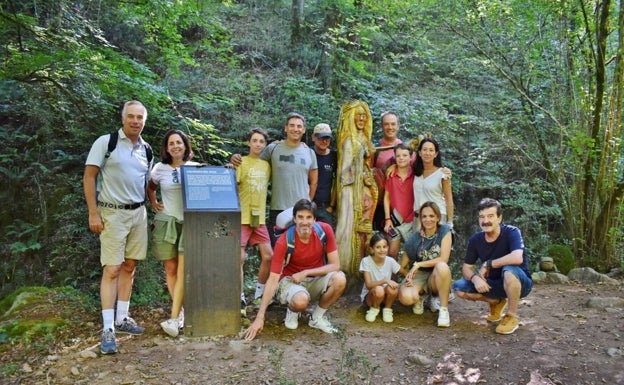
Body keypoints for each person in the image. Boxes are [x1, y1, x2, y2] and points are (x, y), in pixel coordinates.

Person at [83, 100, 152, 354]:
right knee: (112, 268)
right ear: (123, 118)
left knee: (130, 265)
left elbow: (146, 182)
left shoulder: (146, 149)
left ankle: (123, 318)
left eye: (140, 117)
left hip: (138, 213)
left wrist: (153, 202)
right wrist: (93, 212)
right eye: (131, 116)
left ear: (144, 120)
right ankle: (108, 328)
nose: (135, 121)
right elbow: (89, 176)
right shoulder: (107, 142)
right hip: (111, 213)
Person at [244, 199, 346, 341]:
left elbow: (335, 265)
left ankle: (316, 318)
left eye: (309, 217)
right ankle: (292, 310)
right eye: (300, 217)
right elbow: (273, 279)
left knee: (340, 279)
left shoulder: (324, 231)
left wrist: (306, 272)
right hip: (290, 281)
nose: (305, 222)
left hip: (312, 278)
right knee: (300, 301)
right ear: (294, 219)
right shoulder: (284, 241)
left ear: (315, 219)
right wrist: (259, 317)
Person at [230, 113, 318, 246]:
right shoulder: (273, 148)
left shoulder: (309, 152)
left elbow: (314, 181)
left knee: (301, 247)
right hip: (278, 208)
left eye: (299, 126)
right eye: (292, 125)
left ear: (304, 130)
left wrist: (308, 203)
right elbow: (254, 163)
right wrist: (235, 159)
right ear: (286, 128)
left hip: (302, 209)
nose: (296, 129)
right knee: (277, 249)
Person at [452, 198, 533, 335]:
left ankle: (511, 316)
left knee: (508, 270)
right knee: (459, 287)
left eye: (490, 216)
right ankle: (496, 301)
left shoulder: (512, 232)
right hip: (494, 284)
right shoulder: (476, 240)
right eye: (482, 217)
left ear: (499, 218)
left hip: (520, 282)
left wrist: (488, 264)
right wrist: (475, 278)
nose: (485, 221)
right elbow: (466, 267)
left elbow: (517, 257)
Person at [147, 129, 199, 337]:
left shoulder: (195, 168)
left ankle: (177, 314)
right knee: (170, 267)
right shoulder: (160, 169)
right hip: (167, 221)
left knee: (183, 269)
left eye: (179, 142)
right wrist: (154, 203)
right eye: (171, 143)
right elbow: (150, 187)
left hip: (189, 223)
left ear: (185, 145)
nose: (175, 146)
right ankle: (182, 312)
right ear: (166, 148)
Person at [335, 100, 378, 273]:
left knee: (364, 232)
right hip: (350, 193)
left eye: (364, 115)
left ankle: (361, 269)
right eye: (358, 115)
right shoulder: (348, 142)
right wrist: (360, 158)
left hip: (364, 191)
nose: (361, 118)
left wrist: (368, 175)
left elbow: (368, 167)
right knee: (348, 230)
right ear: (351, 117)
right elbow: (344, 173)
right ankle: (347, 268)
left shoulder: (364, 139)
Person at [236, 128, 273, 315]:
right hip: (242, 216)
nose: (258, 144)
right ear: (249, 142)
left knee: (268, 256)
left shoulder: (267, 165)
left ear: (265, 145)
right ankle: (239, 297)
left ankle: (259, 292)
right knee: (239, 258)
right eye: (255, 140)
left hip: (259, 218)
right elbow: (232, 185)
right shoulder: (240, 162)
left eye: (261, 141)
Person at [398, 201, 453, 328]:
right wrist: (408, 276)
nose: (428, 219)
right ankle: (422, 297)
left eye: (432, 216)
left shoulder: (445, 231)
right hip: (420, 275)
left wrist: (418, 264)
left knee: (442, 266)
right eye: (424, 216)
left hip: (436, 274)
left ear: (438, 217)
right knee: (406, 298)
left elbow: (444, 258)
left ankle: (443, 310)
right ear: (420, 219)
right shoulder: (415, 238)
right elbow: (401, 265)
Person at [359, 232, 407, 323]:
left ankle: (387, 310)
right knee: (379, 290)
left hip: (384, 297)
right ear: (372, 249)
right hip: (371, 296)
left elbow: (405, 273)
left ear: (388, 248)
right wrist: (385, 280)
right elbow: (369, 285)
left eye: (384, 247)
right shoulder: (366, 261)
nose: (382, 250)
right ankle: (374, 309)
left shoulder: (390, 261)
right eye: (378, 247)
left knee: (393, 288)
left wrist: (409, 280)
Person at [412, 137, 454, 230]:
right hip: (419, 218)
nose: (427, 153)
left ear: (436, 154)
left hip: (437, 218)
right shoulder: (415, 172)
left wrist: (450, 222)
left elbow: (449, 199)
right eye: (425, 150)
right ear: (419, 153)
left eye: (431, 150)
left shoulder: (442, 174)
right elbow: (401, 157)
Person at [383, 143, 415, 259]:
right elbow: (386, 197)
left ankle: (412, 277)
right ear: (395, 158)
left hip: (412, 221)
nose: (401, 158)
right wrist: (387, 219)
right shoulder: (390, 175)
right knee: (392, 252)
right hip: (395, 220)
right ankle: (392, 277)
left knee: (413, 253)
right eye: (398, 156)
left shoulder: (416, 174)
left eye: (405, 155)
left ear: (411, 157)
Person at [311, 123, 337, 228]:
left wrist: (331, 205)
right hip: (307, 203)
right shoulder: (307, 152)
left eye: (327, 138)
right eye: (321, 138)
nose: (324, 141)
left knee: (327, 237)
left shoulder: (334, 156)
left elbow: (338, 181)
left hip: (325, 206)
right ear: (313, 137)